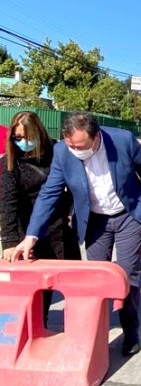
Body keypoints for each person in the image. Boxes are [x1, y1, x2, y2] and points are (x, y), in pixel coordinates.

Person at [12, 113, 141, 356]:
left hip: (127, 215)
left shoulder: (122, 140)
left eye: (80, 146)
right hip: (95, 220)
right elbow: (49, 194)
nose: (75, 151)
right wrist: (31, 236)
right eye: (71, 145)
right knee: (97, 277)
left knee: (128, 274)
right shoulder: (62, 152)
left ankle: (130, 331)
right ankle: (97, 333)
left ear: (96, 137)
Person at [1, 111, 81, 324]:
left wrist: (72, 211)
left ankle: (77, 326)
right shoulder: (10, 162)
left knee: (72, 282)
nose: (23, 142)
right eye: (18, 137)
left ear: (39, 133)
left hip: (60, 227)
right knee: (36, 289)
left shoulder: (57, 152)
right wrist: (9, 242)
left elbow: (75, 184)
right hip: (29, 231)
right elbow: (7, 203)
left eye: (28, 137)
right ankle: (38, 326)